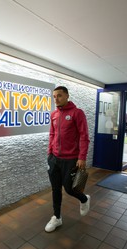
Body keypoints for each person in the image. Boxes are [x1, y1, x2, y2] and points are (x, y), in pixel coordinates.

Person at [45, 86, 90, 233]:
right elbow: (52, 134)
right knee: (55, 189)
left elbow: (84, 136)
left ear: (67, 96)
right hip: (54, 159)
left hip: (71, 159)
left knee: (69, 188)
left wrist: (82, 157)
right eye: (54, 96)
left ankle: (84, 199)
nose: (56, 99)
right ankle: (57, 217)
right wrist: (50, 153)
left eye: (59, 95)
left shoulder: (77, 113)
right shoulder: (54, 115)